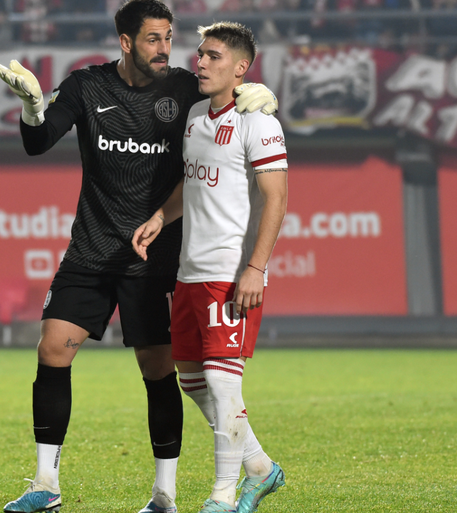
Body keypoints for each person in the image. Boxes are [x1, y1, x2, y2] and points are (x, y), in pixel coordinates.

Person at [0, 1, 278, 511]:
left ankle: (164, 495)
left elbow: (230, 101)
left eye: (169, 37)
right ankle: (44, 484)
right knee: (53, 349)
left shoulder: (187, 88)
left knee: (159, 369)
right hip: (93, 246)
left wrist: (260, 95)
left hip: (157, 256)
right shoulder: (87, 86)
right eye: (153, 39)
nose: (166, 48)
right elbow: (38, 142)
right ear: (126, 43)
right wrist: (33, 109)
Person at [132, 21, 287, 513]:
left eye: (214, 56)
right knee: (194, 381)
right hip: (189, 272)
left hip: (229, 270)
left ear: (241, 68)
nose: (201, 62)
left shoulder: (258, 120)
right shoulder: (197, 115)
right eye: (200, 54)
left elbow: (277, 199)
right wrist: (160, 215)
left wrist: (255, 268)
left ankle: (221, 496)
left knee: (223, 382)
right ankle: (259, 468)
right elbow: (193, 182)